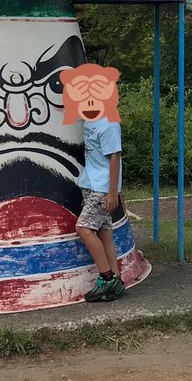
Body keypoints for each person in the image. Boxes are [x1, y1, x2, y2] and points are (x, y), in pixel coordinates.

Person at [75, 116, 127, 302]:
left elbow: (115, 157)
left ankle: (106, 278)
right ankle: (116, 279)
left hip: (102, 188)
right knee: (104, 233)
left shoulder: (109, 123)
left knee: (84, 228)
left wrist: (113, 192)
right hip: (91, 184)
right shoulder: (90, 119)